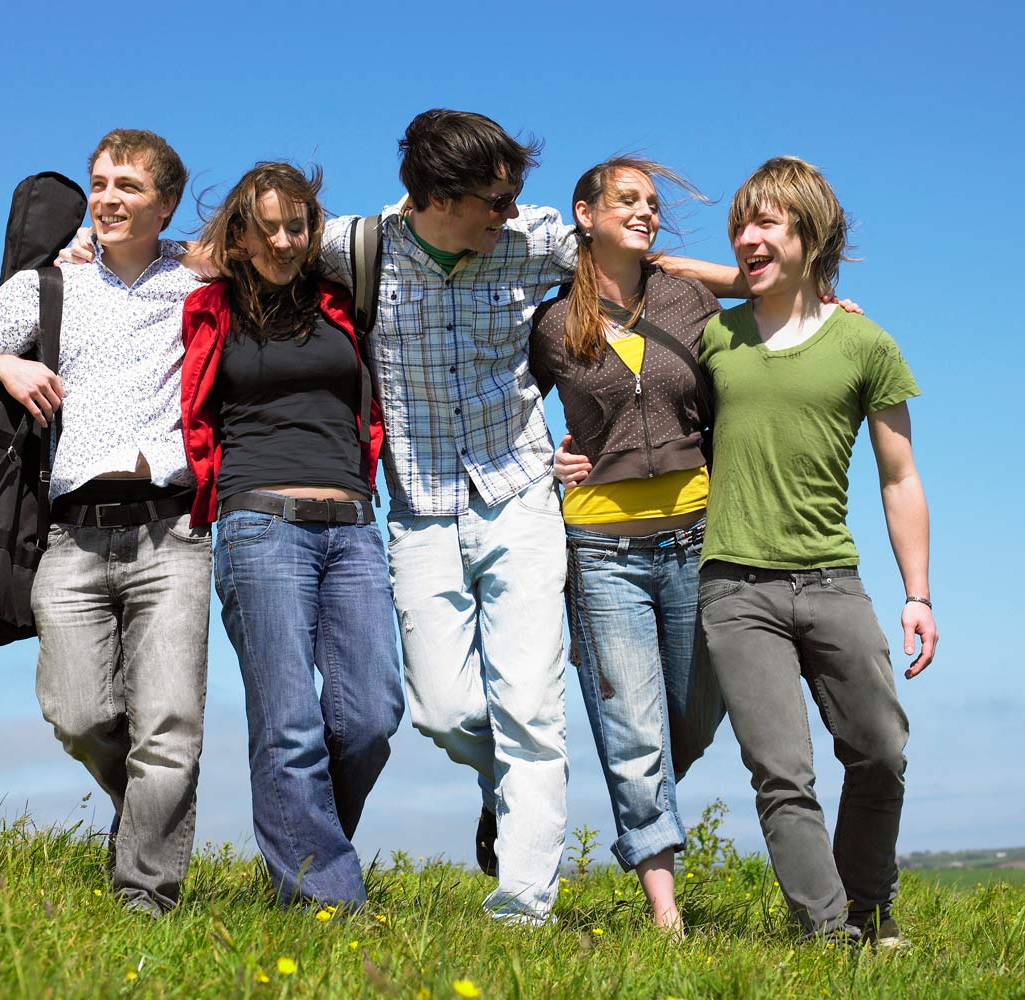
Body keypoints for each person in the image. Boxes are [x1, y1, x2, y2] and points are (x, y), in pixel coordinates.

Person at [315, 111, 746, 925]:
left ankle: (523, 903)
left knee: (533, 710)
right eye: (493, 202)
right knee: (445, 711)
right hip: (421, 505)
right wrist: (106, 255)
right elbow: (253, 250)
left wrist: (768, 285)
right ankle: (503, 787)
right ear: (441, 196)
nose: (510, 213)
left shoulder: (537, 235)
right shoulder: (359, 247)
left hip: (520, 496)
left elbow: (639, 262)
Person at [0, 129, 211, 916]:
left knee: (170, 725)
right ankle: (144, 820)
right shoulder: (49, 286)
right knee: (78, 712)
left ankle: (145, 893)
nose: (107, 199)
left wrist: (198, 250)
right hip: (73, 531)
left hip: (173, 530)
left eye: (128, 186)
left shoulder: (195, 284)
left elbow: (262, 250)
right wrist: (4, 364)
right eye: (99, 184)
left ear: (163, 202)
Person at [695, 156, 937, 945]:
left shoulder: (865, 343)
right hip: (735, 586)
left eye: (766, 222)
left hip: (833, 580)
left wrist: (918, 593)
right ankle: (828, 935)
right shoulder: (713, 337)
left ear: (810, 232)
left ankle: (870, 911)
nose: (746, 237)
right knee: (781, 774)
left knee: (880, 752)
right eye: (741, 224)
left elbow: (899, 478)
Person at [179, 162, 403, 909]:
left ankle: (303, 856)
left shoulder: (344, 299)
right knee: (289, 725)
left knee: (371, 716)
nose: (283, 239)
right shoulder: (209, 306)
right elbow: (142, 263)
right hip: (258, 522)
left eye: (296, 225)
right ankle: (327, 906)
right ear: (238, 235)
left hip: (352, 524)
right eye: (266, 226)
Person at [527, 158, 725, 931]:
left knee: (694, 717)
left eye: (652, 204)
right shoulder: (551, 323)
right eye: (628, 201)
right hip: (602, 546)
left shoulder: (688, 298)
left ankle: (646, 809)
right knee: (632, 730)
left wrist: (819, 303)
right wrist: (548, 457)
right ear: (585, 212)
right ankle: (665, 914)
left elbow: (754, 319)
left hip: (698, 535)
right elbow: (507, 417)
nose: (646, 212)